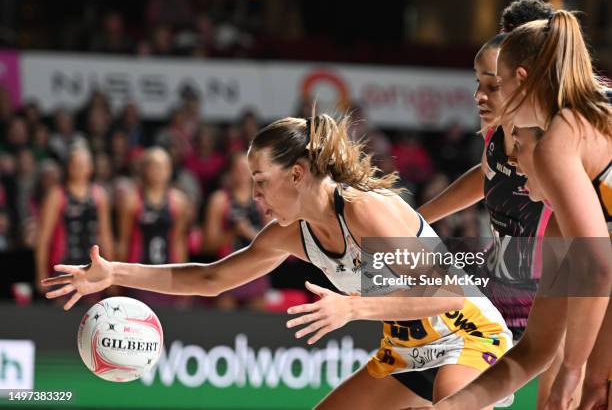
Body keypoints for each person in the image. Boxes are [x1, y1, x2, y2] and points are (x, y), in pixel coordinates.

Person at [43, 114, 513, 410]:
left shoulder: (366, 209)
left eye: (261, 181)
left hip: (468, 335)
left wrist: (352, 308)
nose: (255, 195)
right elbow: (211, 278)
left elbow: (448, 291)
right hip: (404, 353)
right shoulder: (291, 234)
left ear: (297, 173)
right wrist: (115, 272)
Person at [413, 10, 612, 410]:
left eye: (516, 146)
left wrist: (571, 371)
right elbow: (534, 350)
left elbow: (599, 267)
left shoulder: (561, 138)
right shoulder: (563, 217)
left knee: (593, 385)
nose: (510, 164)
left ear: (522, 80)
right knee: (596, 388)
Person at [35, 143, 114, 297]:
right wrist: (41, 272)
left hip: (92, 267)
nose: (78, 168)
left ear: (90, 168)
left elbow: (106, 236)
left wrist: (113, 273)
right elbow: (43, 237)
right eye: (74, 164)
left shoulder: (100, 195)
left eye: (82, 164)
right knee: (62, 311)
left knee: (93, 312)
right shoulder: (56, 195)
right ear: (68, 167)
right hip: (63, 264)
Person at [116, 147, 190, 307]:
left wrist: (185, 279)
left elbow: (178, 241)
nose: (158, 171)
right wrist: (117, 279)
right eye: (154, 166)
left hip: (168, 273)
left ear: (169, 170)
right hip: (138, 273)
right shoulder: (131, 200)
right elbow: (123, 241)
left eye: (163, 166)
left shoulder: (178, 201)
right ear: (144, 169)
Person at [201, 151, 270, 310]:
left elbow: (274, 242)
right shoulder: (219, 200)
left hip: (256, 270)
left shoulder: (264, 200)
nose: (243, 173)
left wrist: (248, 233)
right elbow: (207, 245)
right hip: (227, 270)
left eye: (247, 169)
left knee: (259, 322)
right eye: (238, 169)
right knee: (225, 320)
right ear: (230, 172)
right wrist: (232, 233)